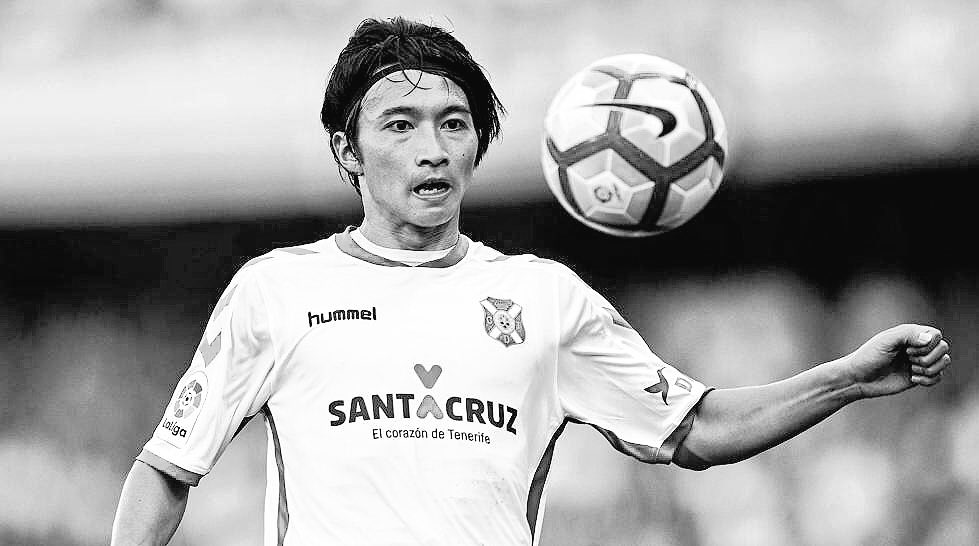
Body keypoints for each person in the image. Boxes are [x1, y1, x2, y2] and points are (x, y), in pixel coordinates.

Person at [111, 17, 952, 546]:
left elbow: (694, 428)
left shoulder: (545, 298)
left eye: (454, 124)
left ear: (477, 145)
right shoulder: (275, 291)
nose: (432, 149)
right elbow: (167, 468)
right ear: (347, 150)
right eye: (399, 125)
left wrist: (846, 378)